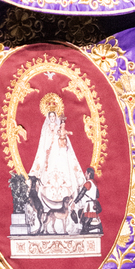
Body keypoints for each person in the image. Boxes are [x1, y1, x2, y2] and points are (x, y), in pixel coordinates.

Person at [28, 92, 87, 237]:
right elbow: (43, 145)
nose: (53, 118)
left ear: (57, 117)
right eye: (51, 117)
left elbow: (65, 142)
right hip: (50, 154)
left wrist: (63, 140)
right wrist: (47, 152)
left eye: (54, 116)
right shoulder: (47, 129)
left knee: (65, 172)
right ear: (48, 118)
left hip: (60, 154)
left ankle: (70, 218)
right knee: (46, 177)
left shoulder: (61, 127)